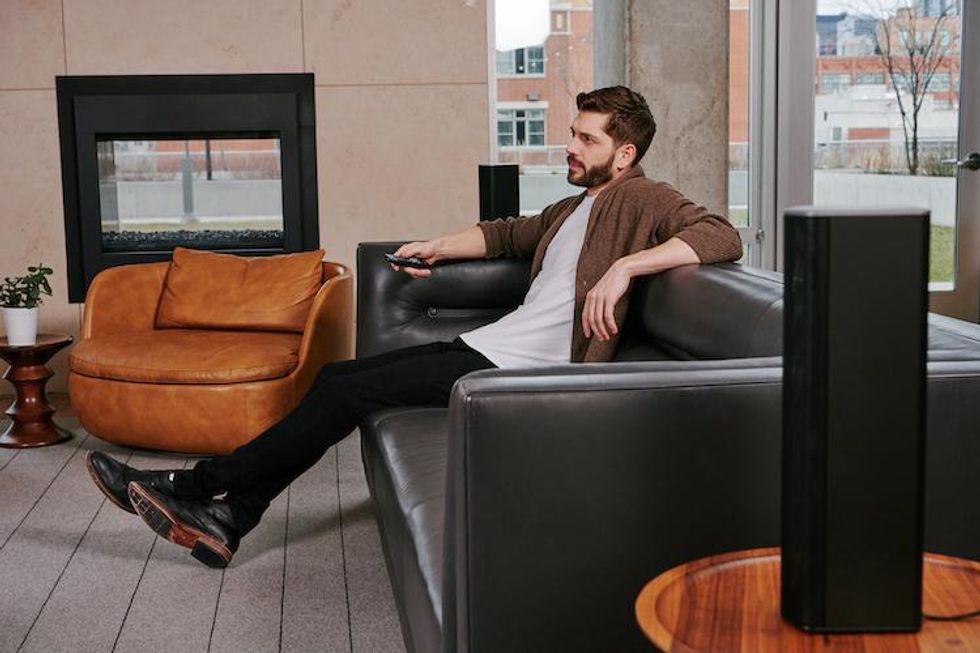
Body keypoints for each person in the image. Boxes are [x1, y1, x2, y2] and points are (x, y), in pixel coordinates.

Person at [85, 86, 742, 568]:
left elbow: (720, 234)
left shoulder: (643, 198)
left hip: (521, 373)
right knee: (338, 377)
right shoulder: (575, 206)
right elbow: (505, 234)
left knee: (344, 390)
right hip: (490, 349)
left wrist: (626, 267)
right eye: (572, 133)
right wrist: (435, 247)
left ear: (625, 154)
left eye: (587, 139)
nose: (569, 146)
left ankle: (193, 486)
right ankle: (230, 515)